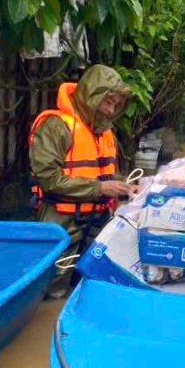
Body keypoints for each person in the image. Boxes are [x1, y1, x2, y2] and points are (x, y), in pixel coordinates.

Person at [29, 64, 136, 299]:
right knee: (52, 291)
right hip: (61, 222)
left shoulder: (104, 132)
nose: (111, 110)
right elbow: (49, 179)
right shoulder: (56, 127)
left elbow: (102, 175)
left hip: (95, 224)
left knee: (89, 289)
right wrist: (100, 188)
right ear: (92, 96)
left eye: (116, 105)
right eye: (108, 102)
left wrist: (125, 186)